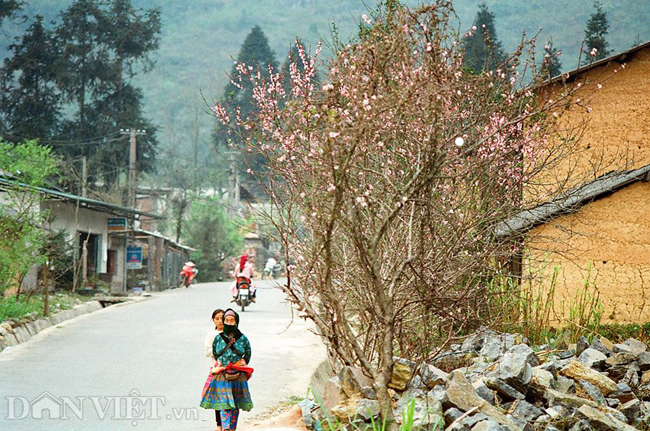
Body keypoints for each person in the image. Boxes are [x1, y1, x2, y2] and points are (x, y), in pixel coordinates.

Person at [200, 309, 253, 431]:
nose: (229, 323)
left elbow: (248, 353)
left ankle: (232, 428)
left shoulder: (243, 338)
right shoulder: (218, 337)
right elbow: (215, 352)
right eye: (227, 320)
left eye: (232, 320)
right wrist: (223, 363)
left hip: (238, 375)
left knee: (236, 403)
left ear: (236, 322)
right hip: (222, 374)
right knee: (224, 402)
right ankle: (225, 427)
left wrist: (242, 362)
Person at [200, 309, 225, 431]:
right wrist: (219, 351)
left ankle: (229, 423)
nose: (220, 321)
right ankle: (219, 424)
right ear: (213, 320)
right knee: (218, 397)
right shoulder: (211, 335)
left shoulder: (233, 334)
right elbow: (207, 352)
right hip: (216, 369)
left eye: (222, 318)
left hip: (231, 368)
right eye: (217, 319)